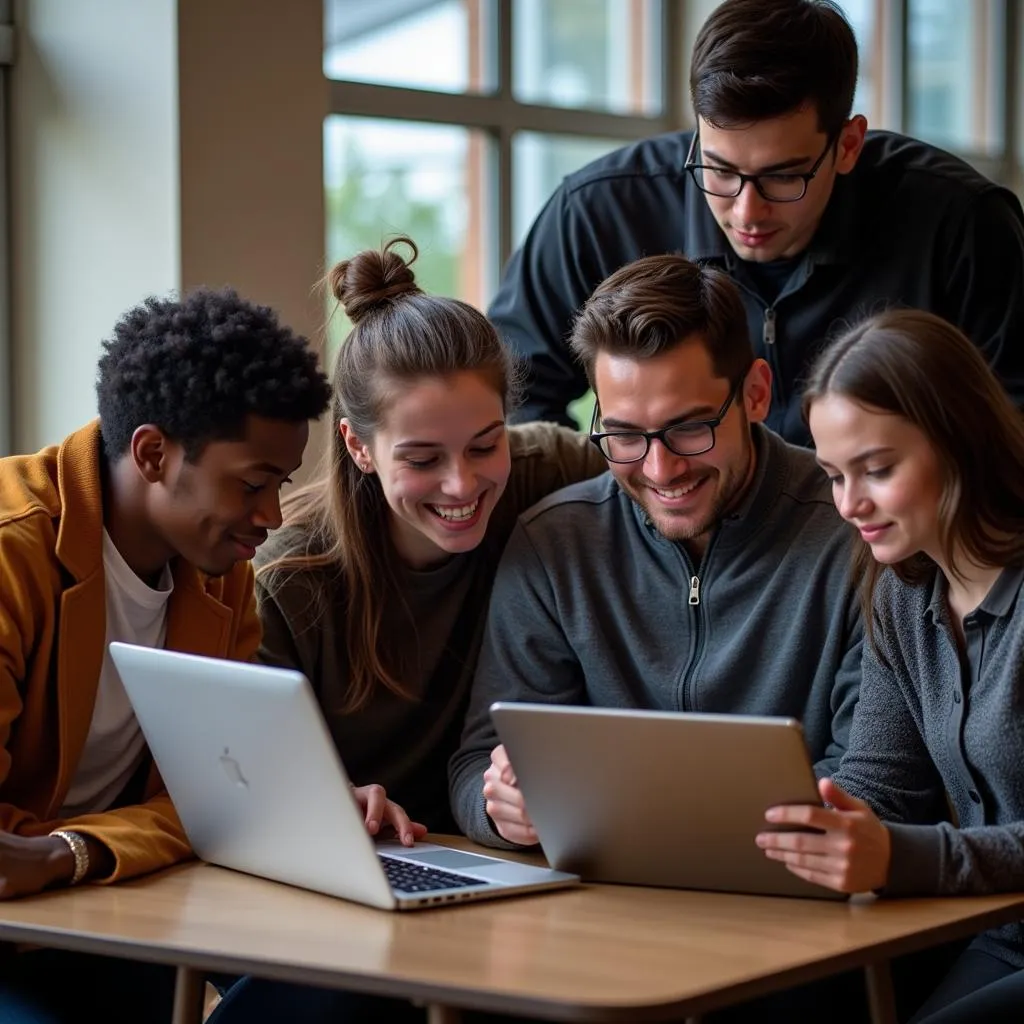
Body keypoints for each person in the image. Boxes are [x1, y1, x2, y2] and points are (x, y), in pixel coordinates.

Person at [206, 237, 605, 1023]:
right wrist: (329, 799)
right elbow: (238, 789)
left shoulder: (551, 471)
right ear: (357, 445)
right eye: (422, 459)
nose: (463, 485)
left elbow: (659, 478)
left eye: (485, 444)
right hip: (364, 888)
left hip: (508, 879)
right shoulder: (289, 575)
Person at [449, 252, 862, 852]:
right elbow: (475, 767)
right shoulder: (552, 545)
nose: (660, 469)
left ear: (755, 394)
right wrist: (503, 809)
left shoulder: (853, 534)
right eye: (623, 435)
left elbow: (869, 781)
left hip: (793, 897)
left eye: (689, 427)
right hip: (598, 914)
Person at [0, 287, 332, 1022]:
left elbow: (222, 801)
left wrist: (68, 852)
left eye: (280, 485)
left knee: (349, 988)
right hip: (28, 933)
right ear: (153, 453)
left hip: (104, 907)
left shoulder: (221, 577)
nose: (272, 518)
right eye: (253, 484)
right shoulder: (10, 551)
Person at [491, 0, 1024, 444]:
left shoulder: (963, 224)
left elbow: (1010, 435)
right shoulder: (598, 212)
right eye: (719, 170)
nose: (746, 212)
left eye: (783, 177)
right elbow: (513, 399)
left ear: (848, 145)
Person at [756, 309, 1024, 1023]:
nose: (850, 504)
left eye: (877, 470)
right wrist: (805, 830)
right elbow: (884, 783)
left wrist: (896, 859)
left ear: (960, 441)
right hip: (993, 938)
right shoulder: (904, 595)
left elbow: (904, 844)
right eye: (834, 476)